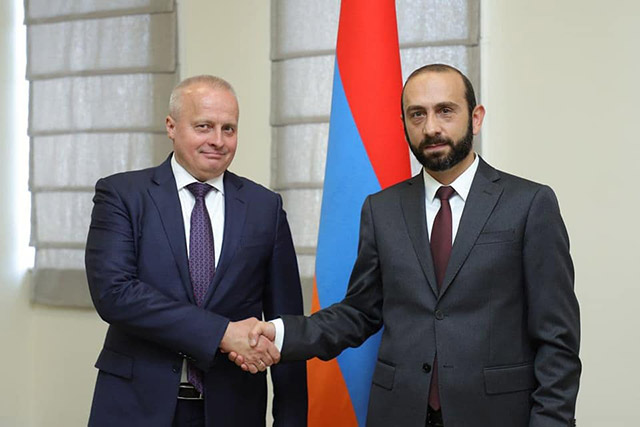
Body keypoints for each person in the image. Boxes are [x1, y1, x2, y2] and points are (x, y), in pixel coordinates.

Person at [234, 64, 581, 426]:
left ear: (476, 118)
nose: (431, 127)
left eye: (445, 110)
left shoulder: (529, 204)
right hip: (399, 412)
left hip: (496, 415)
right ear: (404, 125)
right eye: (417, 114)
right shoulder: (381, 209)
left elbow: (557, 339)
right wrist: (281, 334)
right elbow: (359, 312)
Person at [85, 75, 307, 427]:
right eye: (204, 126)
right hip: (136, 407)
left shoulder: (265, 207)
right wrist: (222, 333)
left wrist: (291, 420)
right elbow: (115, 294)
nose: (217, 140)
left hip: (233, 410)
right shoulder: (122, 195)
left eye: (228, 129)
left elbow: (286, 325)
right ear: (171, 127)